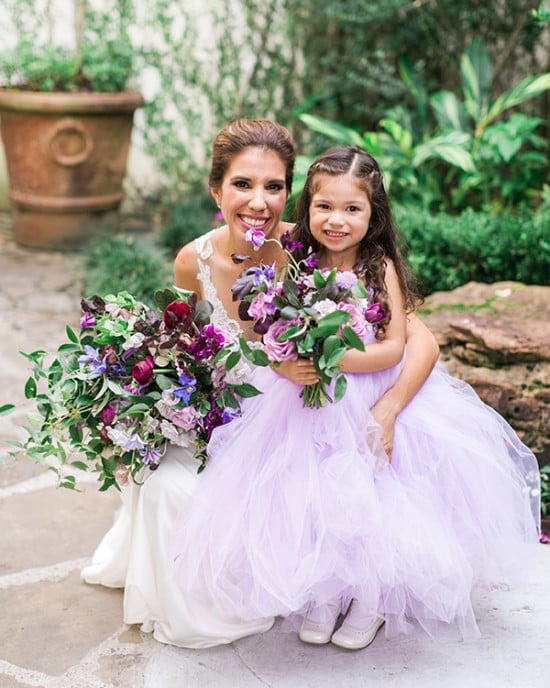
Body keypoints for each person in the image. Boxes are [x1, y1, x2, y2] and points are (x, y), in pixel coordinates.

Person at [81, 121, 440, 649]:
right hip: (231, 410)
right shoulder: (192, 260)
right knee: (159, 484)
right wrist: (152, 401)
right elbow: (190, 345)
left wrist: (385, 405)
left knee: (341, 479)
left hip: (297, 405)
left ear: (288, 195)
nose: (258, 201)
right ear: (215, 190)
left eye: (273, 187)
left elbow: (413, 339)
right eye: (242, 184)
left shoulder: (308, 248)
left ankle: (356, 591)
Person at [171, 145, 541, 651]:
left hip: (364, 389)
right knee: (320, 490)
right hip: (304, 397)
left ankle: (373, 597)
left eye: (352, 209)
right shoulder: (293, 259)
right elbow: (270, 326)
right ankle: (326, 590)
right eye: (324, 207)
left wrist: (334, 358)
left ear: (374, 214)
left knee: (375, 491)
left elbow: (394, 348)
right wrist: (286, 354)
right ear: (307, 208)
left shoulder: (376, 266)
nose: (337, 220)